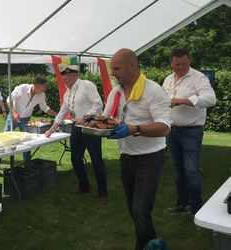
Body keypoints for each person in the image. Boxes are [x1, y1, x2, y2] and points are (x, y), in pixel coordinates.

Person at [103, 48, 171, 250]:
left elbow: (165, 127)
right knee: (134, 210)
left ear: (132, 66)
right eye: (111, 68)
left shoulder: (153, 90)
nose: (113, 72)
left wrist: (135, 129)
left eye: (116, 68)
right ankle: (153, 245)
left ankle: (145, 247)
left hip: (150, 158)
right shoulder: (116, 92)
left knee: (140, 210)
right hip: (126, 157)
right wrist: (90, 122)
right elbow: (107, 118)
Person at [162, 48, 216, 215]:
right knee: (178, 169)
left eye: (184, 63)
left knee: (191, 170)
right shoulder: (168, 79)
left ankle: (196, 208)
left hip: (191, 131)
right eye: (177, 64)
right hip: (172, 130)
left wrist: (183, 101)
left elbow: (211, 99)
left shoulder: (199, 78)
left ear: (189, 61)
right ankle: (182, 203)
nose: (180, 67)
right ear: (171, 63)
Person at [45, 63, 108, 205]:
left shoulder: (87, 85)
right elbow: (62, 113)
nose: (64, 81)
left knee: (96, 160)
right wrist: (52, 129)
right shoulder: (68, 93)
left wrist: (85, 117)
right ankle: (84, 186)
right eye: (64, 78)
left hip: (90, 127)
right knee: (75, 159)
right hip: (76, 128)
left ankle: (102, 192)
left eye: (66, 78)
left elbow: (98, 104)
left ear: (74, 76)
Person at [5, 76, 57, 162]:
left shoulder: (41, 95)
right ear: (37, 85)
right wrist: (14, 113)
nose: (45, 89)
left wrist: (57, 115)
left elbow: (44, 108)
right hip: (12, 117)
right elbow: (9, 99)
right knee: (5, 138)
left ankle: (27, 164)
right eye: (44, 86)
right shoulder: (22, 88)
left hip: (25, 120)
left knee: (27, 142)